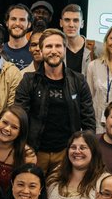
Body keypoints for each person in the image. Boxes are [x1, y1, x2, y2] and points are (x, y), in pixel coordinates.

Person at [16, 29, 97, 174]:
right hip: (35, 151)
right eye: (48, 46)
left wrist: (83, 149)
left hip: (66, 153)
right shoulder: (29, 80)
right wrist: (26, 147)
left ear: (64, 49)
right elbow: (19, 117)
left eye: (58, 46)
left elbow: (89, 120)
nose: (54, 51)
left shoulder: (78, 81)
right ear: (41, 50)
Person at [46, 132, 111, 199]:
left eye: (83, 147)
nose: (77, 151)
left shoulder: (106, 182)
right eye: (73, 147)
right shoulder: (55, 177)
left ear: (93, 151)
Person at [0, 106, 38, 191]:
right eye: (5, 122)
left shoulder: (27, 157)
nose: (7, 129)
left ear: (21, 132)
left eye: (14, 127)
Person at [57, 4, 98, 74]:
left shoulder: (97, 47)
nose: (71, 25)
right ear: (61, 23)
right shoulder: (56, 48)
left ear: (82, 24)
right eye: (67, 20)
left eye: (75, 20)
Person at [1, 4, 33, 70]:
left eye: (22, 20)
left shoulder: (35, 51)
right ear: (7, 22)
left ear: (29, 24)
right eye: (13, 19)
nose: (17, 23)